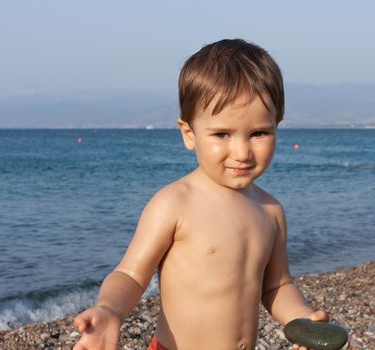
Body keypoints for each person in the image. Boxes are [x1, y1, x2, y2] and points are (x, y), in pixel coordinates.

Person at [73, 39, 328, 350]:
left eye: (259, 133)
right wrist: (110, 310)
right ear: (189, 134)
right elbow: (130, 274)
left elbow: (276, 285)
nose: (242, 151)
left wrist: (299, 319)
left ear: (277, 126)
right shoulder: (175, 203)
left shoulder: (270, 210)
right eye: (222, 134)